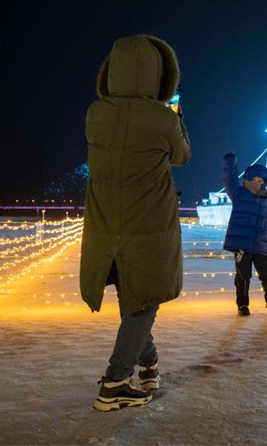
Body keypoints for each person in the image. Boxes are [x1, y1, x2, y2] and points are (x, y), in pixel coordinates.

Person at [80, 35, 191, 411]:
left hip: (105, 221)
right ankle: (115, 383)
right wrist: (176, 117)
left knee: (132, 295)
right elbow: (182, 157)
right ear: (159, 77)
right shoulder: (162, 118)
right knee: (144, 302)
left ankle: (148, 366)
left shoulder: (96, 113)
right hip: (148, 224)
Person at [223, 154, 267, 316]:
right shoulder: (239, 194)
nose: (259, 183)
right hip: (242, 244)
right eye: (255, 179)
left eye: (262, 181)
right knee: (243, 276)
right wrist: (230, 164)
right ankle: (242, 305)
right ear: (248, 179)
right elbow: (230, 180)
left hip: (262, 245)